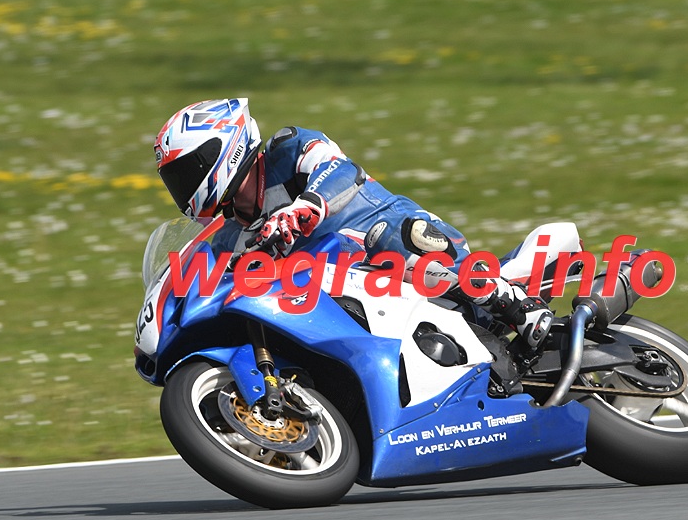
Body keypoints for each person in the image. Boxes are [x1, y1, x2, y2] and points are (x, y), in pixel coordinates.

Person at [154, 98, 582, 394]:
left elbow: (341, 171)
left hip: (395, 242)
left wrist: (303, 208)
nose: (183, 187)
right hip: (349, 292)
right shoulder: (230, 235)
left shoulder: (288, 147)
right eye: (176, 180)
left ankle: (513, 304)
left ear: (224, 149)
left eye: (187, 171)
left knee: (390, 240)